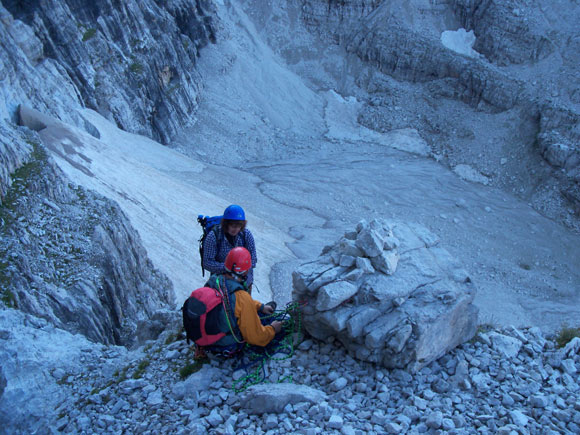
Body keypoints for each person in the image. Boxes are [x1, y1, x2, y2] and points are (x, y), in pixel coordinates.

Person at [205, 247, 282, 348]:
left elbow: (233, 301)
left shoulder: (214, 281)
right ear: (245, 271)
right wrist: (273, 328)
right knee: (273, 326)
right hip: (224, 344)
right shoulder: (242, 296)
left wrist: (260, 307)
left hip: (209, 336)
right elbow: (257, 338)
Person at [202, 204, 258, 291]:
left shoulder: (246, 235)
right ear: (226, 224)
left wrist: (240, 270)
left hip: (244, 280)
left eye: (238, 225)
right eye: (232, 225)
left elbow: (253, 259)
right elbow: (207, 262)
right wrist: (228, 268)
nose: (235, 228)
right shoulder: (214, 236)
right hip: (221, 280)